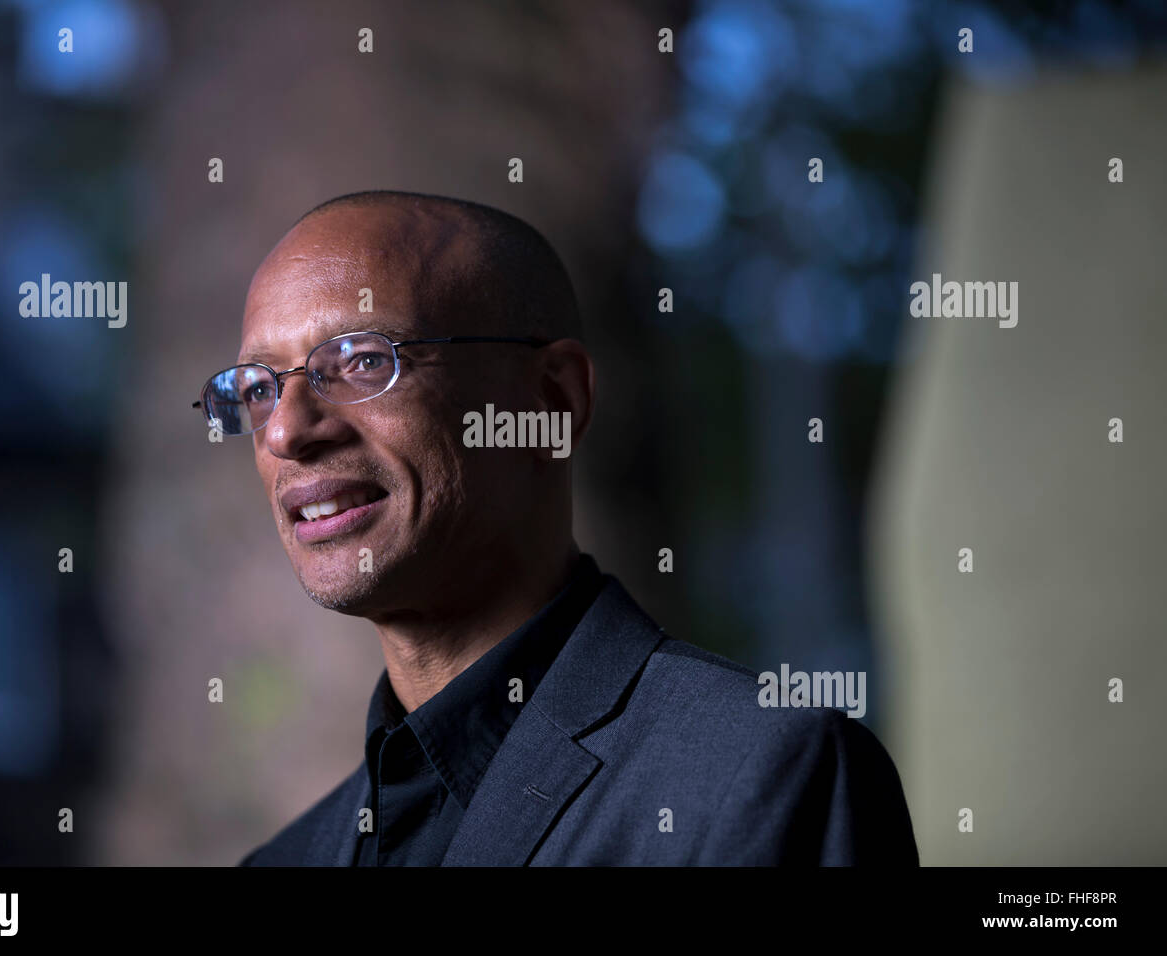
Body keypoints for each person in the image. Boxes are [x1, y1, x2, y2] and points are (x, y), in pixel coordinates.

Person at [198, 190, 918, 865]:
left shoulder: (764, 777)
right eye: (258, 389)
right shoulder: (289, 859)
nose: (286, 431)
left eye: (360, 360)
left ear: (551, 402)